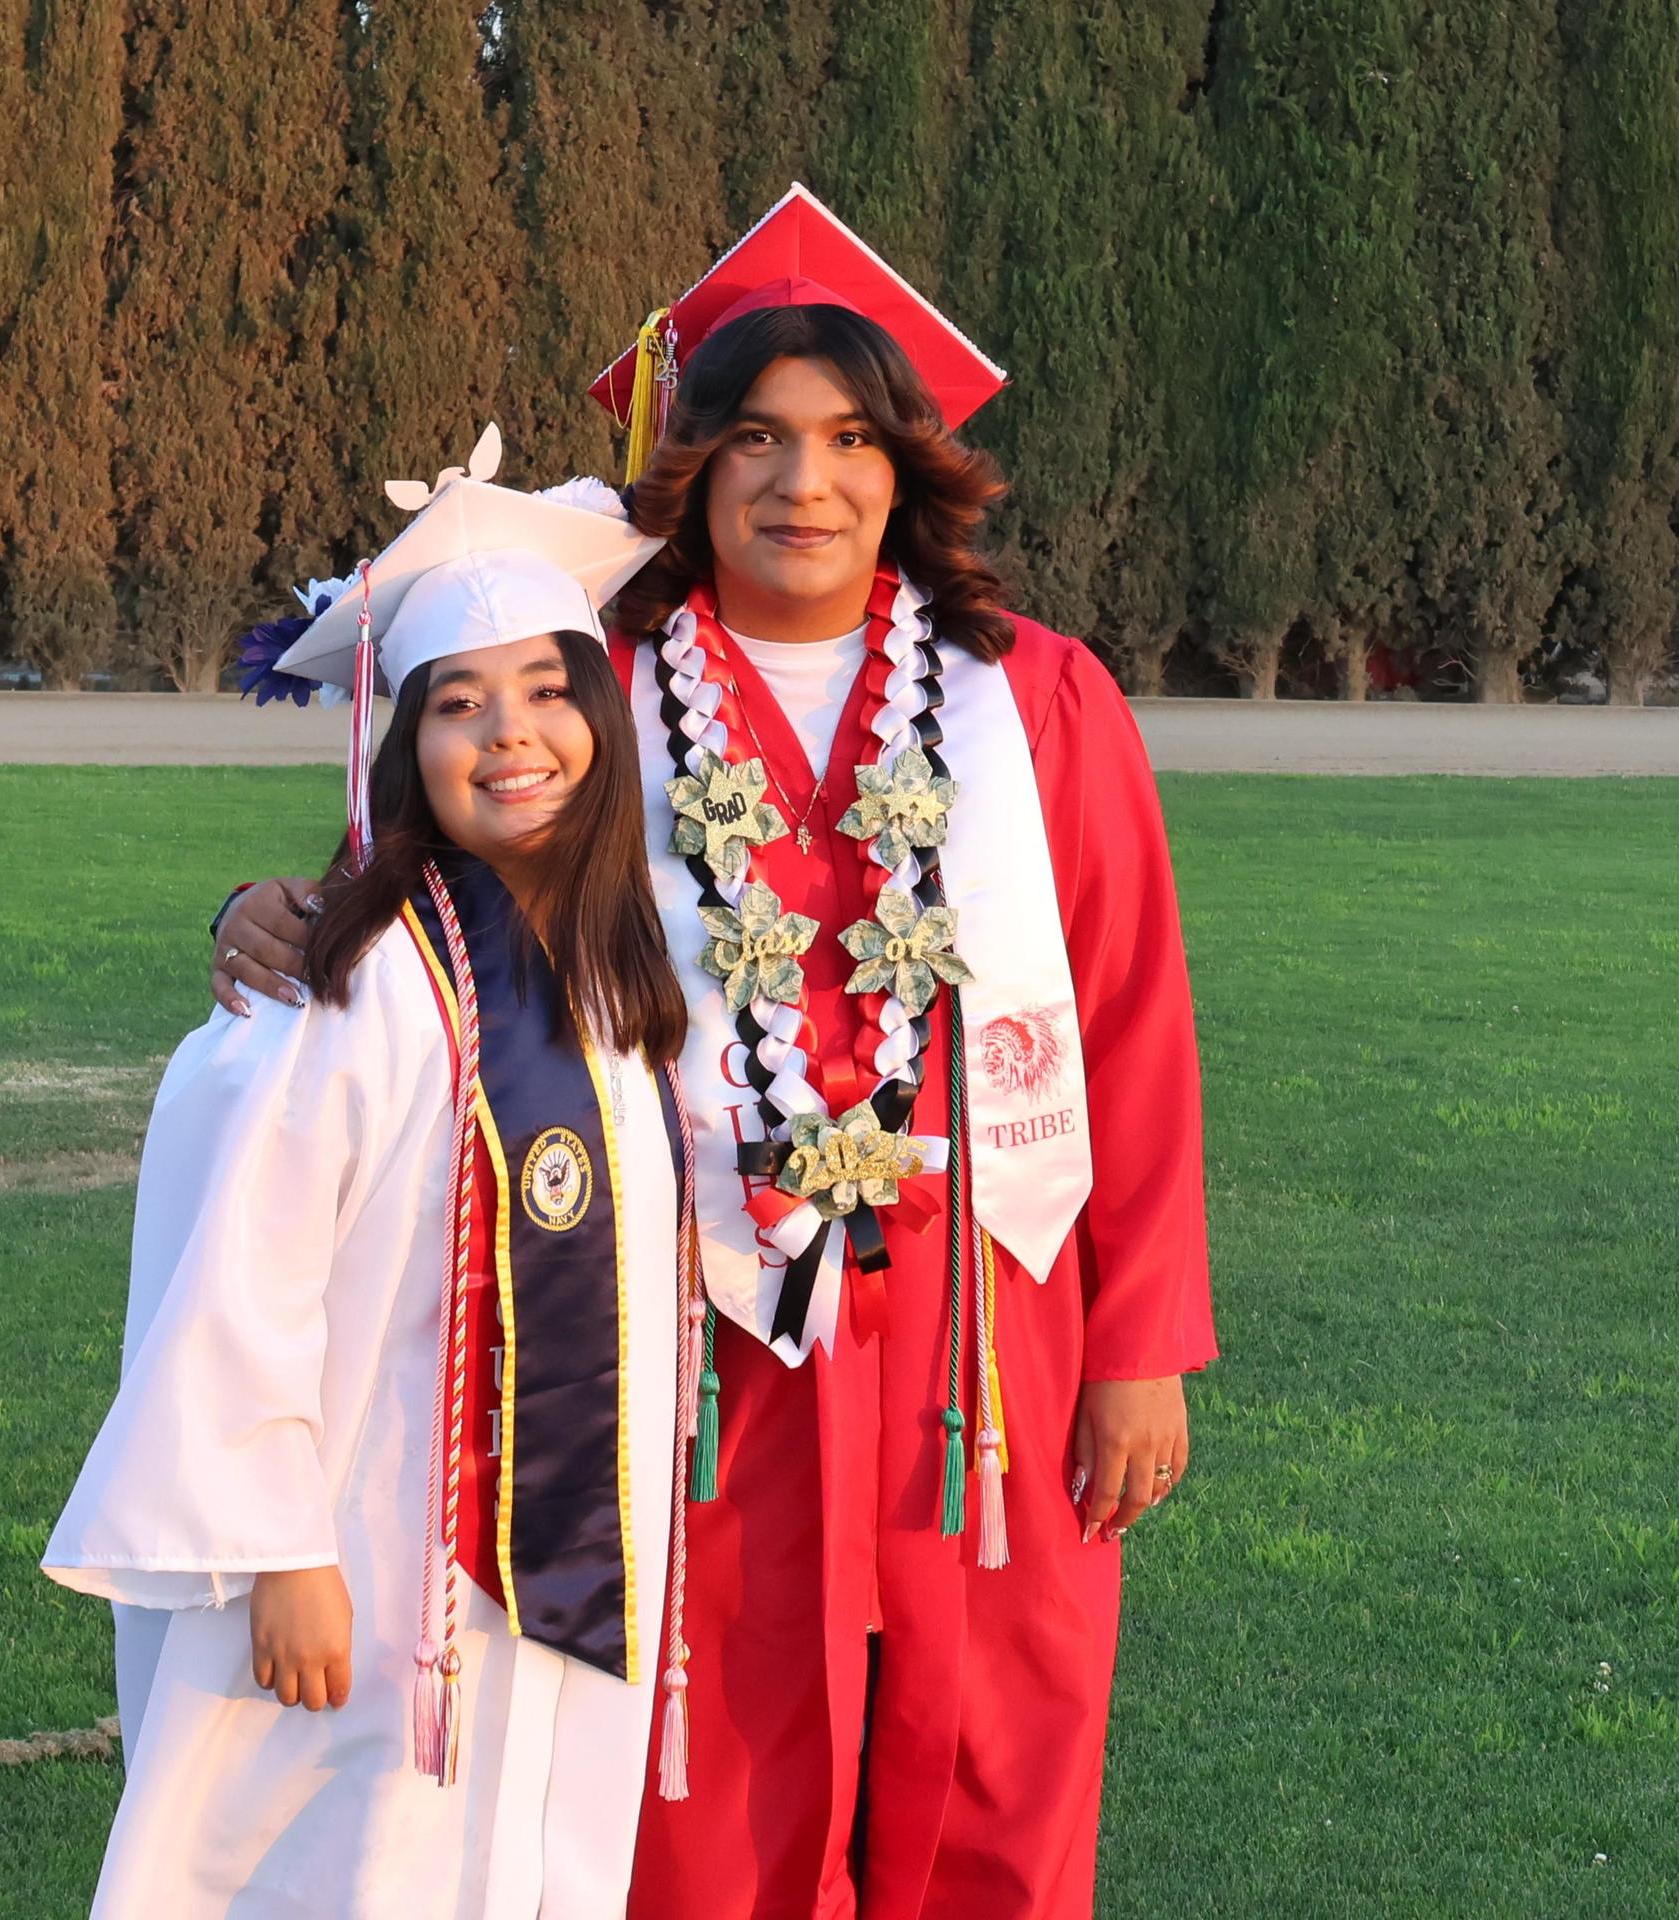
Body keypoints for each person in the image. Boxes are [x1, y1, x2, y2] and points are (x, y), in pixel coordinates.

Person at [213, 185, 1217, 1919]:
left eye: (846, 436)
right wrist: (278, 907)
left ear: (908, 464)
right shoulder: (599, 690)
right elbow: (445, 884)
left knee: (999, 1747)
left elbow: (1131, 1025)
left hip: (989, 1338)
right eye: (754, 433)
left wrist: (1141, 1346)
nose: (801, 482)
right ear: (691, 465)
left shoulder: (1036, 700)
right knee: (718, 1767)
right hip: (696, 1337)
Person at [45, 447, 708, 1918]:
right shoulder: (344, 990)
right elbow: (242, 1282)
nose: (512, 735)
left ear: (601, 712)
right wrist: (278, 1554)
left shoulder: (613, 972)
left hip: (556, 1556)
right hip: (371, 1550)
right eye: (459, 705)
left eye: (546, 691)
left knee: (523, 1844)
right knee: (340, 1862)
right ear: (399, 748)